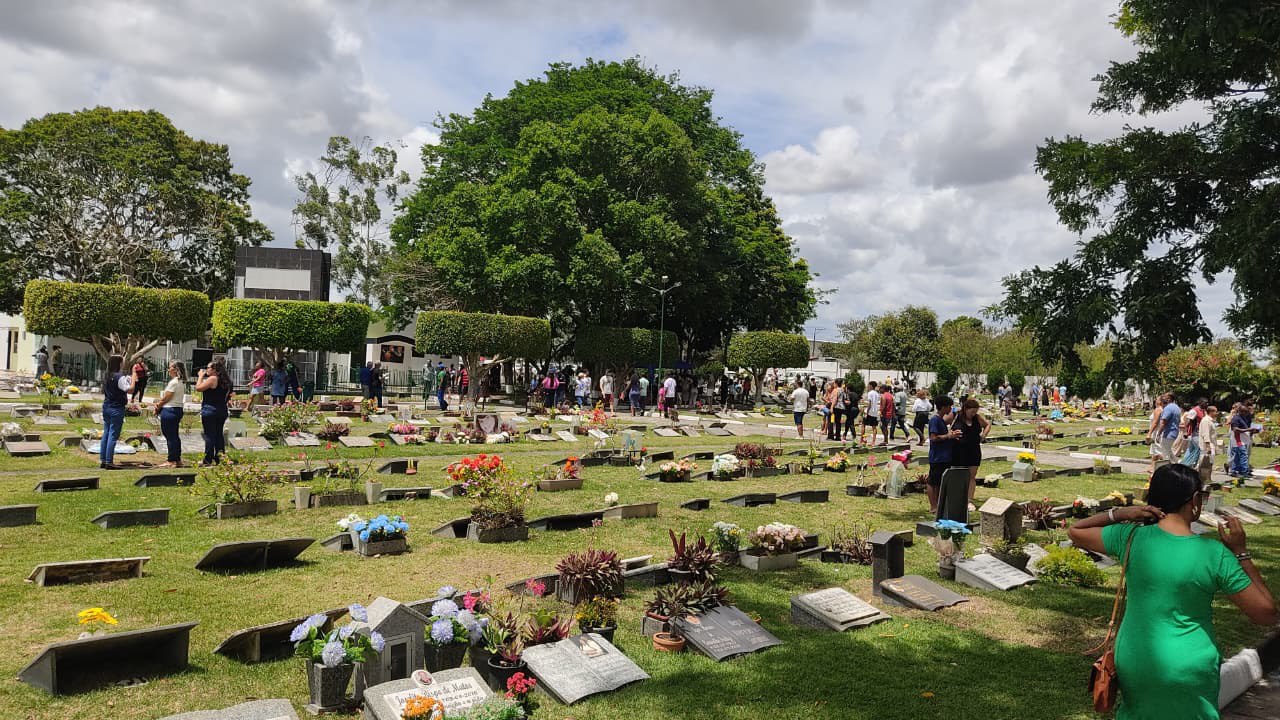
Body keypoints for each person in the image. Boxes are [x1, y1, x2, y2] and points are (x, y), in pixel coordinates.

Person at [1068, 464, 1276, 720]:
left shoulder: (1130, 538)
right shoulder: (1213, 554)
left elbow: (1075, 531)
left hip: (1136, 657)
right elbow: (1266, 613)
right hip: (1189, 662)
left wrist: (1122, 513)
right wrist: (1241, 553)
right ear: (1194, 501)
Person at [951, 398, 990, 507]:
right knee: (958, 475)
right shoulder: (956, 416)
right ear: (965, 409)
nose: (973, 414)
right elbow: (943, 423)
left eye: (975, 412)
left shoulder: (977, 418)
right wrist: (950, 434)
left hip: (974, 450)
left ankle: (969, 500)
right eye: (971, 412)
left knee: (971, 477)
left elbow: (987, 425)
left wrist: (983, 435)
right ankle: (957, 498)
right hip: (959, 451)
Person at [926, 396, 962, 513]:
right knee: (932, 482)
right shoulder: (935, 420)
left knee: (939, 483)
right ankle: (933, 506)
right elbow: (933, 438)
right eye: (949, 406)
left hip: (945, 456)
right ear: (943, 407)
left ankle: (938, 505)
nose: (950, 409)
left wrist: (951, 435)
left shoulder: (941, 420)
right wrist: (948, 436)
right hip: (937, 457)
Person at [98, 354, 133, 469]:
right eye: (122, 362)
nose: (123, 364)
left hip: (107, 406)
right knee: (113, 435)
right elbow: (129, 390)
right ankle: (109, 461)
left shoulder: (107, 376)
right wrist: (134, 379)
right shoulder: (120, 376)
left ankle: (103, 460)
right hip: (117, 408)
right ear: (118, 363)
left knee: (106, 433)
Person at [195, 358, 231, 466]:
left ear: (215, 369)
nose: (206, 369)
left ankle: (207, 460)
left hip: (210, 410)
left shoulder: (213, 379)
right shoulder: (225, 380)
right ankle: (220, 457)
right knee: (218, 434)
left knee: (210, 435)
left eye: (208, 367)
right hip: (221, 409)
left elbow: (198, 388)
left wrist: (200, 376)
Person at [152, 361, 187, 468]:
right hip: (177, 409)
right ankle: (177, 459)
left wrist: (158, 406)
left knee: (170, 436)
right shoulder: (180, 382)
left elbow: (167, 397)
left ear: (175, 369)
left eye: (170, 368)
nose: (168, 370)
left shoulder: (174, 382)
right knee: (174, 435)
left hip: (170, 410)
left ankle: (171, 460)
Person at [1230, 399, 1261, 481]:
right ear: (1241, 411)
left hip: (1243, 440)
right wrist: (1248, 430)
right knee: (1244, 456)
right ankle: (1245, 472)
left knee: (1237, 456)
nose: (1247, 413)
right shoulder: (1236, 418)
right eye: (1245, 412)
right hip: (1238, 441)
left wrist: (1254, 430)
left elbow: (1246, 428)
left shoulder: (1243, 418)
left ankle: (1234, 471)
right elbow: (1235, 429)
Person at [1180, 397, 1208, 468]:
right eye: (1205, 402)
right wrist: (1186, 432)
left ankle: (1185, 464)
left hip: (1198, 434)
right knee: (1199, 449)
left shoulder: (1203, 410)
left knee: (1190, 449)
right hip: (1194, 434)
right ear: (1200, 403)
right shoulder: (1194, 411)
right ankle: (1194, 464)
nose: (1207, 404)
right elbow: (1188, 421)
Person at [1156, 392, 1182, 462]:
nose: (1163, 398)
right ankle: (1178, 463)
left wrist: (1158, 434)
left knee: (1165, 453)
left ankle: (1168, 467)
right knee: (1169, 451)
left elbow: (1163, 422)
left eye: (1165, 397)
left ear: (1169, 399)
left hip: (1168, 433)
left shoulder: (1168, 408)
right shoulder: (1177, 407)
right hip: (1175, 432)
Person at [1198, 405, 1219, 484]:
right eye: (1215, 411)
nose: (1217, 413)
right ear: (1211, 412)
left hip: (1211, 444)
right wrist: (1208, 446)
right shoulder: (1206, 420)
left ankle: (1208, 478)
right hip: (1207, 445)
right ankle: (1204, 479)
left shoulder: (1210, 420)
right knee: (1205, 463)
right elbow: (1205, 434)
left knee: (1210, 463)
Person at [861, 380, 881, 445]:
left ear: (871, 386)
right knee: (874, 427)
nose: (868, 387)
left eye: (868, 385)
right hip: (875, 412)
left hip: (869, 411)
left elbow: (870, 403)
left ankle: (862, 440)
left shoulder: (870, 393)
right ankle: (873, 442)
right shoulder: (877, 394)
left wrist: (867, 412)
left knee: (863, 425)